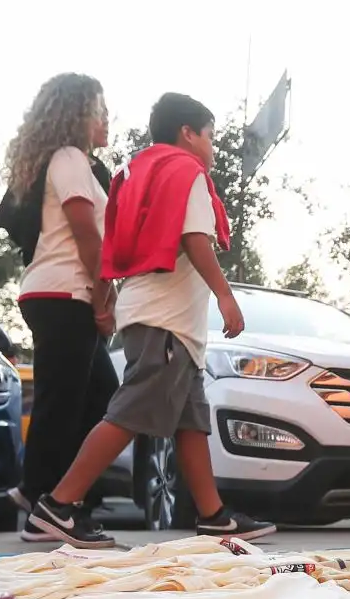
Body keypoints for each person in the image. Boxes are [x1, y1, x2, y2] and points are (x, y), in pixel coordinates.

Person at [26, 93, 274, 546]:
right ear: (188, 134)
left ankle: (214, 515)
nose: (212, 147)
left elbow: (114, 242)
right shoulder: (186, 172)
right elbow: (195, 237)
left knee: (190, 420)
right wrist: (225, 296)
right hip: (167, 321)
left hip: (152, 314)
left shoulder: (133, 173)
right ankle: (58, 506)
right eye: (211, 136)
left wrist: (107, 300)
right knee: (129, 412)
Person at [2, 74, 121, 540]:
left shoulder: (79, 164)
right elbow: (86, 233)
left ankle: (48, 496)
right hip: (64, 293)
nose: (105, 117)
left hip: (62, 292)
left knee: (97, 400)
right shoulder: (70, 159)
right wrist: (101, 297)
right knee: (64, 404)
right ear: (76, 114)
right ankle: (44, 504)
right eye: (98, 107)